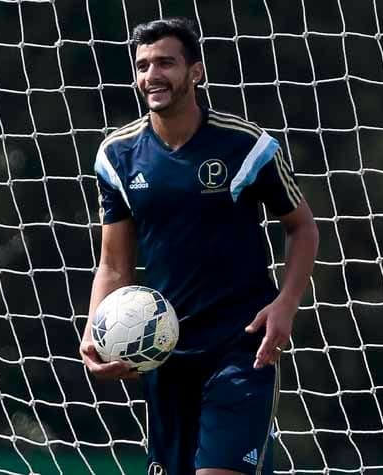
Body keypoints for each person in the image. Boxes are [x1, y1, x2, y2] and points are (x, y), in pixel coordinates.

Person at [79, 17, 319, 475]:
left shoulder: (246, 146)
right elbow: (114, 264)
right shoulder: (116, 156)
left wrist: (285, 304)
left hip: (241, 344)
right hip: (162, 351)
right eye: (143, 65)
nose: (153, 75)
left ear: (196, 72)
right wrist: (97, 329)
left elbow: (302, 227)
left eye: (166, 63)